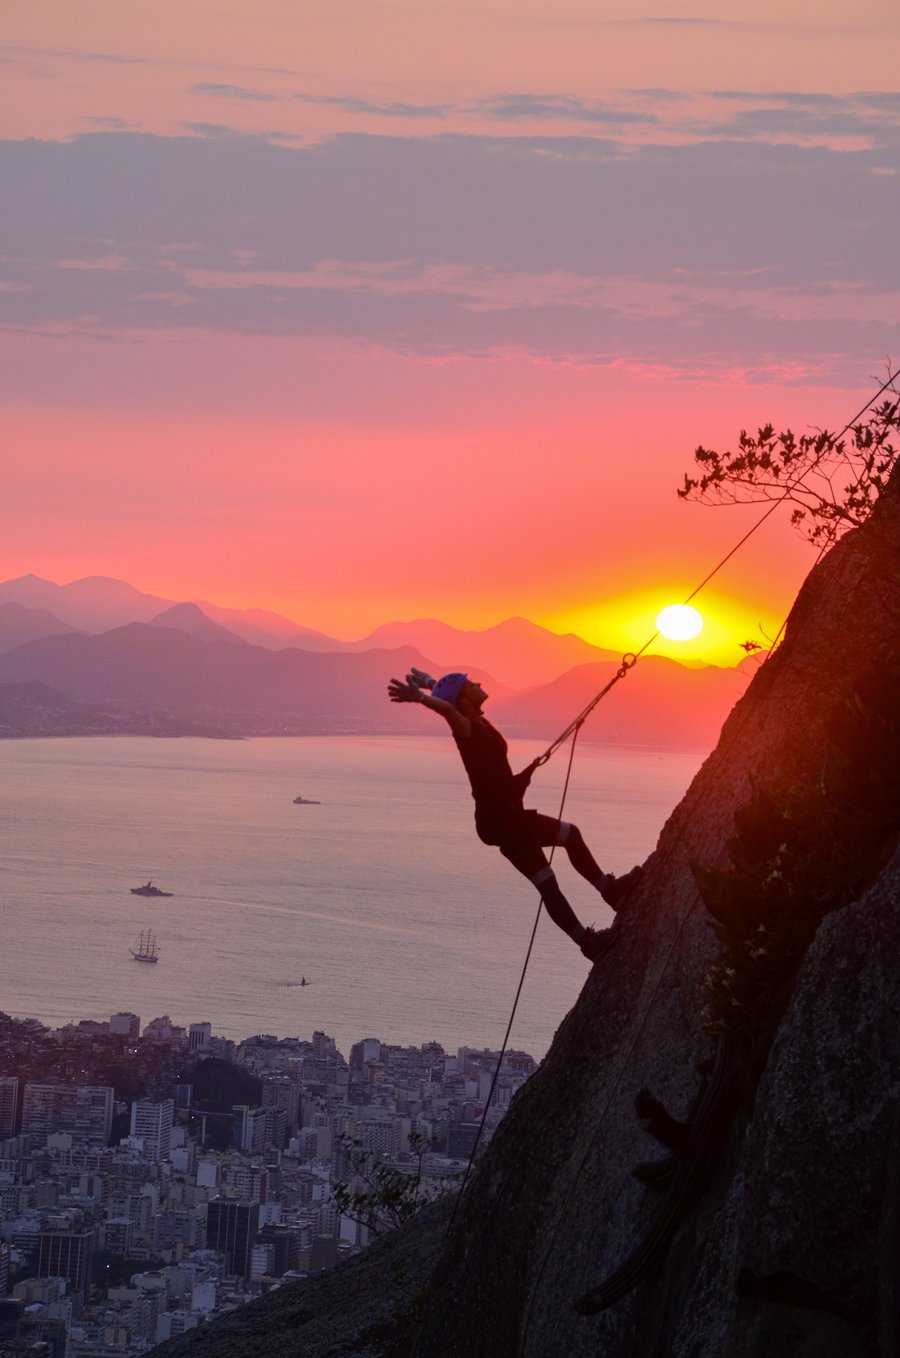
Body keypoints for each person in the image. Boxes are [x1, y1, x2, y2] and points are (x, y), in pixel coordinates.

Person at [387, 669, 641, 962]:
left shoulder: (475, 720)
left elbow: (449, 700)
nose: (479, 683)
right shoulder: (465, 729)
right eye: (471, 684)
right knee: (547, 882)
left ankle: (609, 891)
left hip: (509, 815)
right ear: (465, 700)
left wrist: (431, 684)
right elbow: (447, 709)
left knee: (571, 835)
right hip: (502, 825)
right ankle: (588, 941)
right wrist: (421, 697)